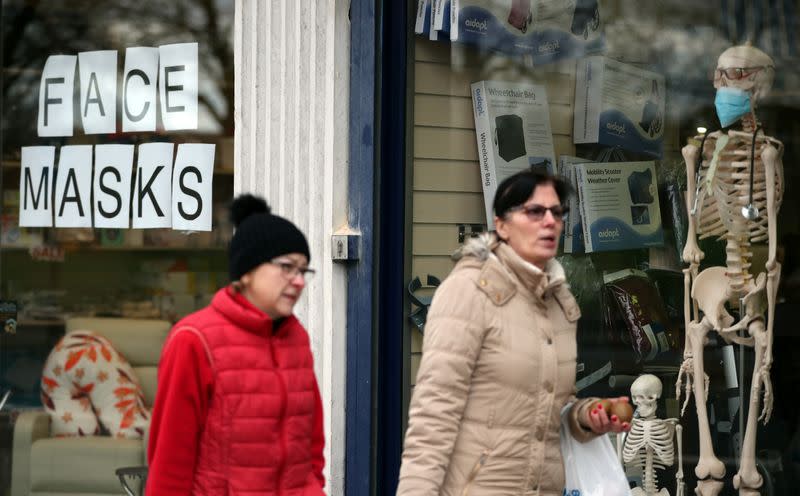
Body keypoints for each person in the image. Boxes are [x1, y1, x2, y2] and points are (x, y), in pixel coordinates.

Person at [396, 170, 630, 496]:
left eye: (557, 212)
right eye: (535, 211)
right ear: (502, 225)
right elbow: (433, 416)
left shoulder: (558, 302)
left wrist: (585, 417)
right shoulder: (468, 291)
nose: (549, 221)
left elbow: (552, 405)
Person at [146, 194, 325, 496]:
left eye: (303, 270)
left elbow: (311, 442)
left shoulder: (296, 338)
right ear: (247, 270)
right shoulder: (193, 339)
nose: (299, 282)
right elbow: (170, 463)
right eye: (287, 267)